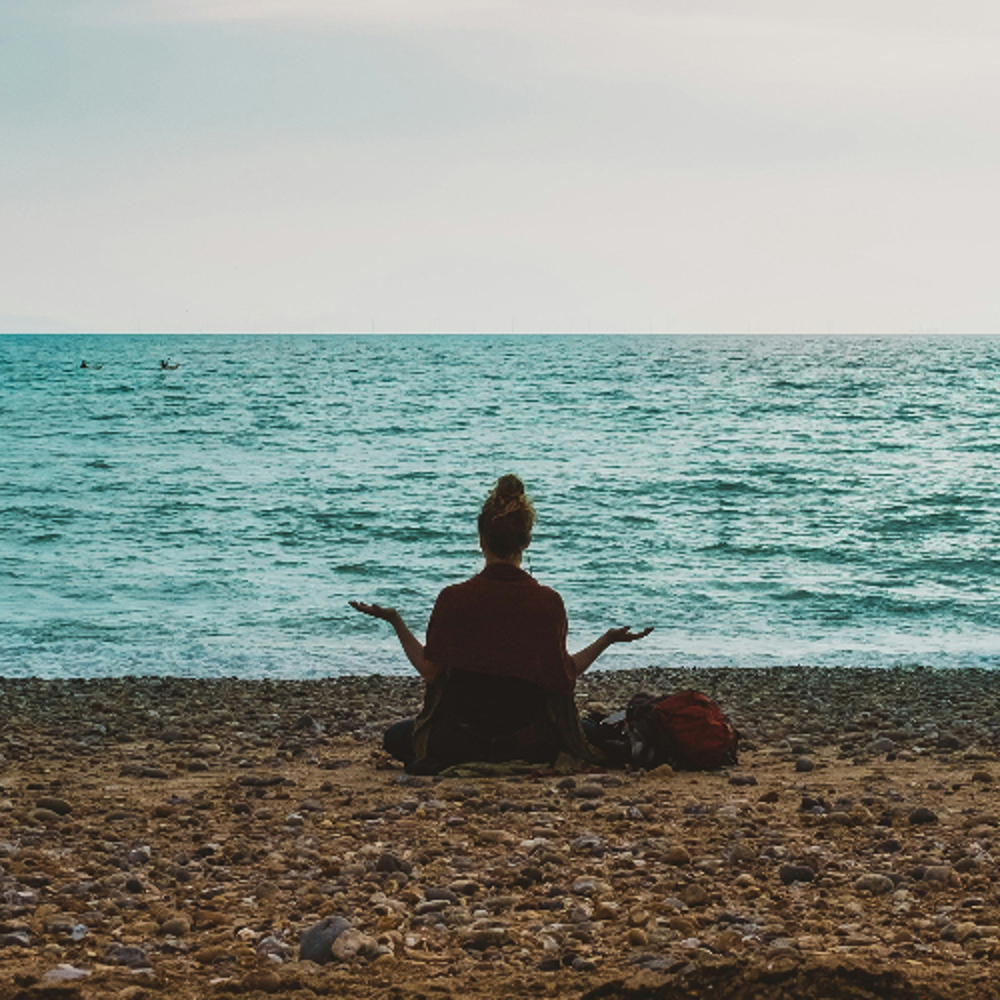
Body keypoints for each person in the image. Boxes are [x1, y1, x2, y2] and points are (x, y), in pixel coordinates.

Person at [350, 475, 651, 773]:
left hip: (459, 742)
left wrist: (396, 622)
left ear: (481, 538)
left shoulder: (453, 598)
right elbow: (564, 678)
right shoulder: (548, 602)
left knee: (396, 738)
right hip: (529, 744)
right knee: (591, 728)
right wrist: (606, 640)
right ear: (527, 540)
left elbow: (431, 673)